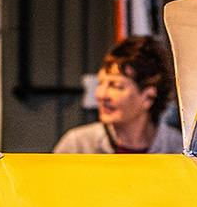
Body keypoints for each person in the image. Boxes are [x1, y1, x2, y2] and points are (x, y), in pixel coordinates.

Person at [53, 36, 182, 154]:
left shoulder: (178, 151)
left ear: (148, 97)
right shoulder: (77, 146)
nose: (101, 95)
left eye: (115, 86)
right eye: (100, 83)